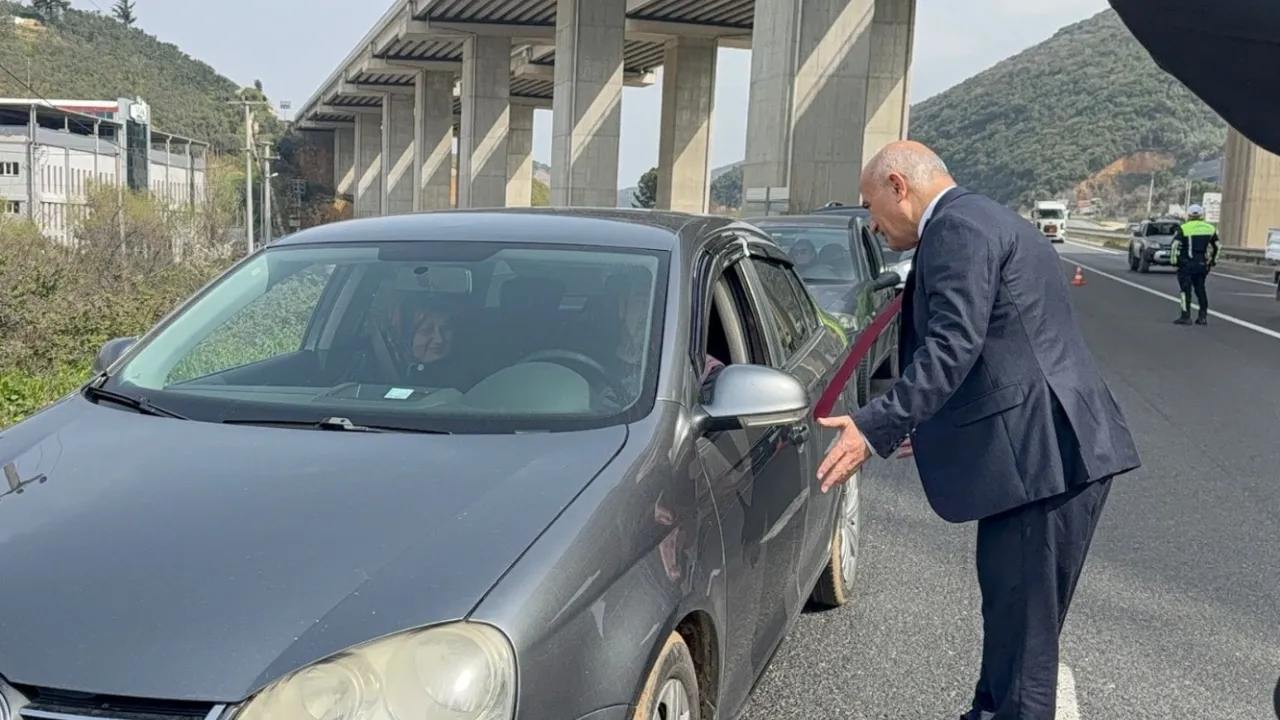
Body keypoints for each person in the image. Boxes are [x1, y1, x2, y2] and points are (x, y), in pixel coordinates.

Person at [814, 141, 1141, 720]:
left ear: (898, 186)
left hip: (1043, 458)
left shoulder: (956, 231)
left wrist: (874, 426)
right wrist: (932, 423)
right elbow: (1005, 345)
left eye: (870, 206)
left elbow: (953, 345)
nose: (872, 224)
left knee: (1025, 647)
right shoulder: (986, 217)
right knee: (1014, 623)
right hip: (1049, 450)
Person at [1170, 204, 1220, 325]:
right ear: (1201, 215)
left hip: (1187, 264)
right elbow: (1218, 246)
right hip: (1202, 263)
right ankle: (1202, 317)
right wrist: (1213, 261)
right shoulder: (1210, 228)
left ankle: (1185, 316)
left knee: (1185, 291)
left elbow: (1174, 245)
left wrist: (1174, 261)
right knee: (1200, 289)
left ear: (1189, 215)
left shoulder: (1184, 228)